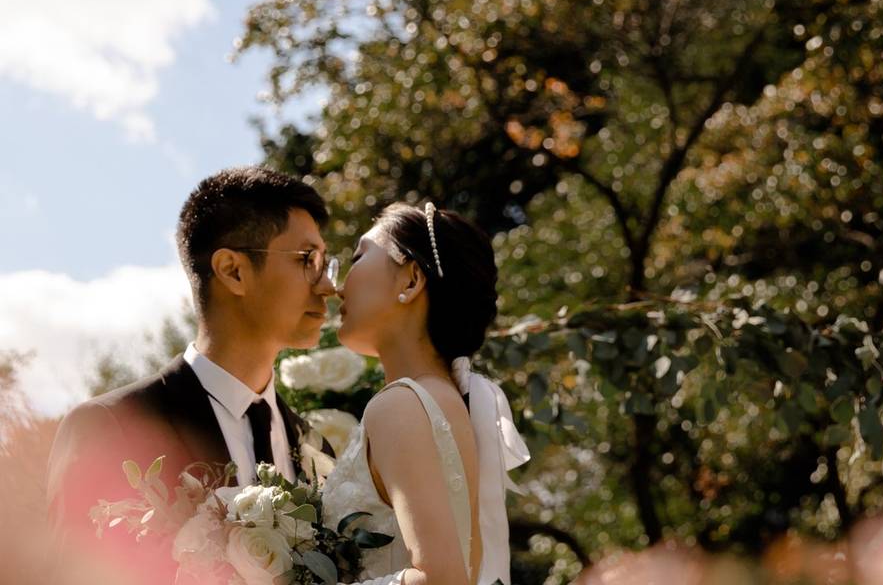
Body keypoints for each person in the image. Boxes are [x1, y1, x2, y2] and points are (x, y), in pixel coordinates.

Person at [45, 166, 338, 584]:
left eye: (327, 263)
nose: (326, 286)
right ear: (233, 271)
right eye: (307, 260)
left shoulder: (315, 449)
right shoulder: (111, 428)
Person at [323, 202, 531, 585]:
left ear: (411, 280)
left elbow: (439, 579)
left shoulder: (401, 404)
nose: (337, 286)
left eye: (358, 256)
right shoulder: (444, 399)